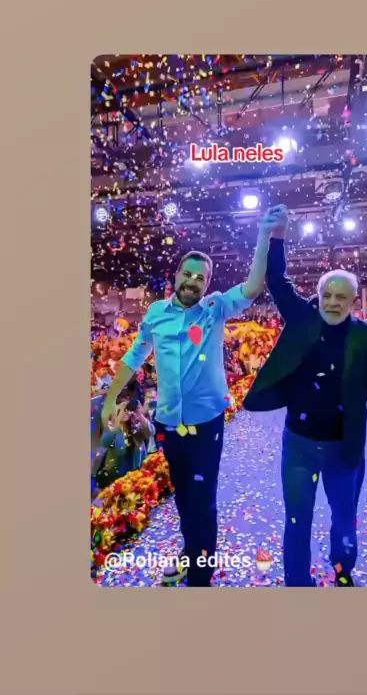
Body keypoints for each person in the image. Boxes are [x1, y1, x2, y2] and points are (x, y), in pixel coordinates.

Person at [101, 207, 281, 587]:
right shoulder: (156, 313)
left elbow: (252, 286)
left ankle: (201, 571)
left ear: (208, 283)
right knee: (183, 495)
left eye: (201, 277)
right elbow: (134, 356)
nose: (193, 281)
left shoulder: (215, 308)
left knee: (203, 498)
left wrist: (265, 234)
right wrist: (109, 399)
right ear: (176, 275)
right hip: (169, 422)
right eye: (188, 274)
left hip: (206, 423)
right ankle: (190, 550)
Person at [243, 205, 367, 587]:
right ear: (319, 295)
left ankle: (343, 572)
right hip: (299, 446)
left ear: (353, 301)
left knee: (344, 521)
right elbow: (277, 280)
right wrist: (277, 236)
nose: (333, 303)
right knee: (297, 520)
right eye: (328, 295)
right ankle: (297, 584)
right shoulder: (303, 319)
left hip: (346, 449)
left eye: (342, 297)